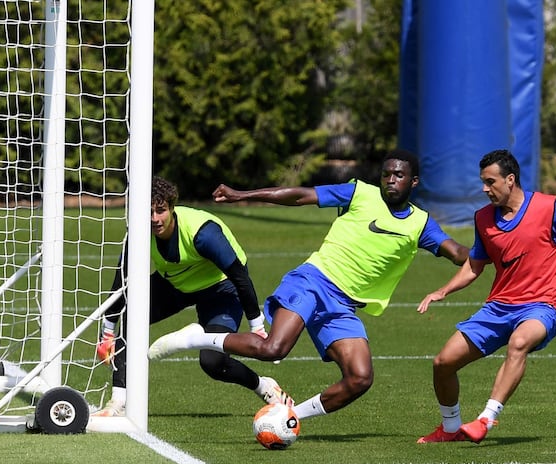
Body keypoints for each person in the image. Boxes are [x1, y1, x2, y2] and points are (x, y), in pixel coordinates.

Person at [148, 149, 469, 424]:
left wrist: (489, 252)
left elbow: (456, 252)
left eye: (398, 176)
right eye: (386, 174)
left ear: (413, 182)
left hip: (343, 305)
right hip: (313, 282)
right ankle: (196, 338)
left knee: (360, 378)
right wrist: (243, 195)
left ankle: (291, 417)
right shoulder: (360, 193)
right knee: (274, 349)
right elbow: (302, 195)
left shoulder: (420, 223)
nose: (390, 181)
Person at [417, 149, 556, 444]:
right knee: (443, 363)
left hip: (539, 307)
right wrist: (442, 290)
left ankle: (486, 419)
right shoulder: (483, 219)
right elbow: (474, 266)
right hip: (497, 309)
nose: (485, 189)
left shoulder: (549, 208)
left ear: (510, 179)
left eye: (490, 182)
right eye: (482, 182)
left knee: (519, 343)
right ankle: (451, 427)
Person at [93, 176, 292, 416]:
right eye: (149, 212)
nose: (155, 219)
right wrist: (107, 332)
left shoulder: (203, 234)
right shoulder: (138, 232)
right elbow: (122, 281)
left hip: (221, 290)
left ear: (172, 207)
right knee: (131, 317)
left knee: (212, 363)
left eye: (160, 211)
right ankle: (118, 401)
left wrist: (257, 328)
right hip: (176, 283)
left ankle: (264, 386)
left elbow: (240, 276)